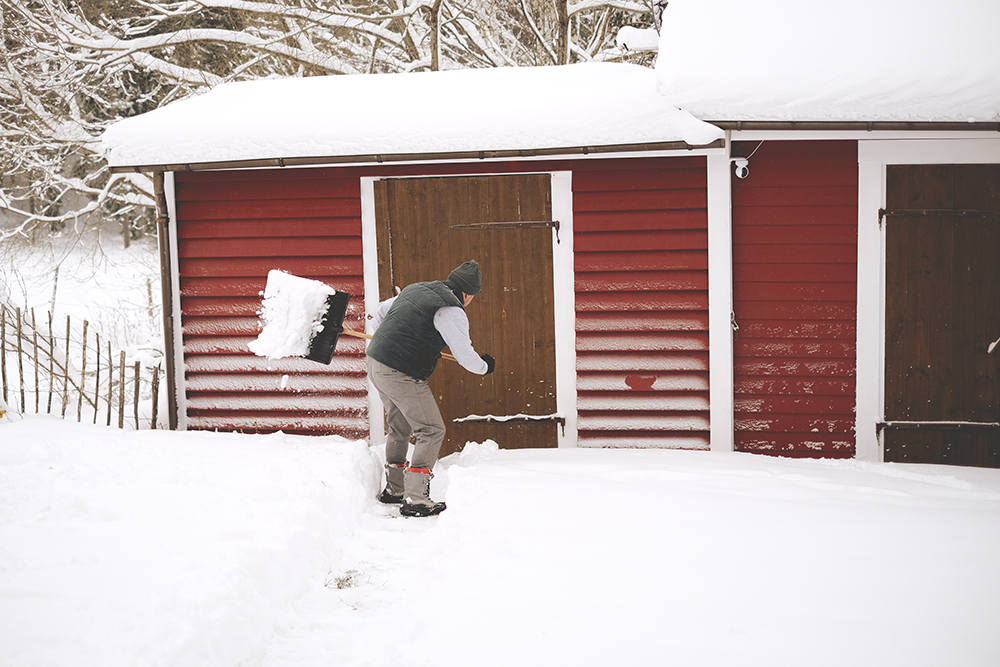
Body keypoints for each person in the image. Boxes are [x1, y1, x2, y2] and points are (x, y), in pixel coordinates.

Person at [366, 260, 495, 517]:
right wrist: (485, 366)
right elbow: (465, 356)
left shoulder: (417, 289)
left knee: (400, 425)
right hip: (399, 372)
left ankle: (395, 489)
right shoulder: (451, 310)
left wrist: (392, 341)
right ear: (468, 294)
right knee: (431, 429)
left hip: (375, 362)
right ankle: (415, 499)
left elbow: (379, 313)